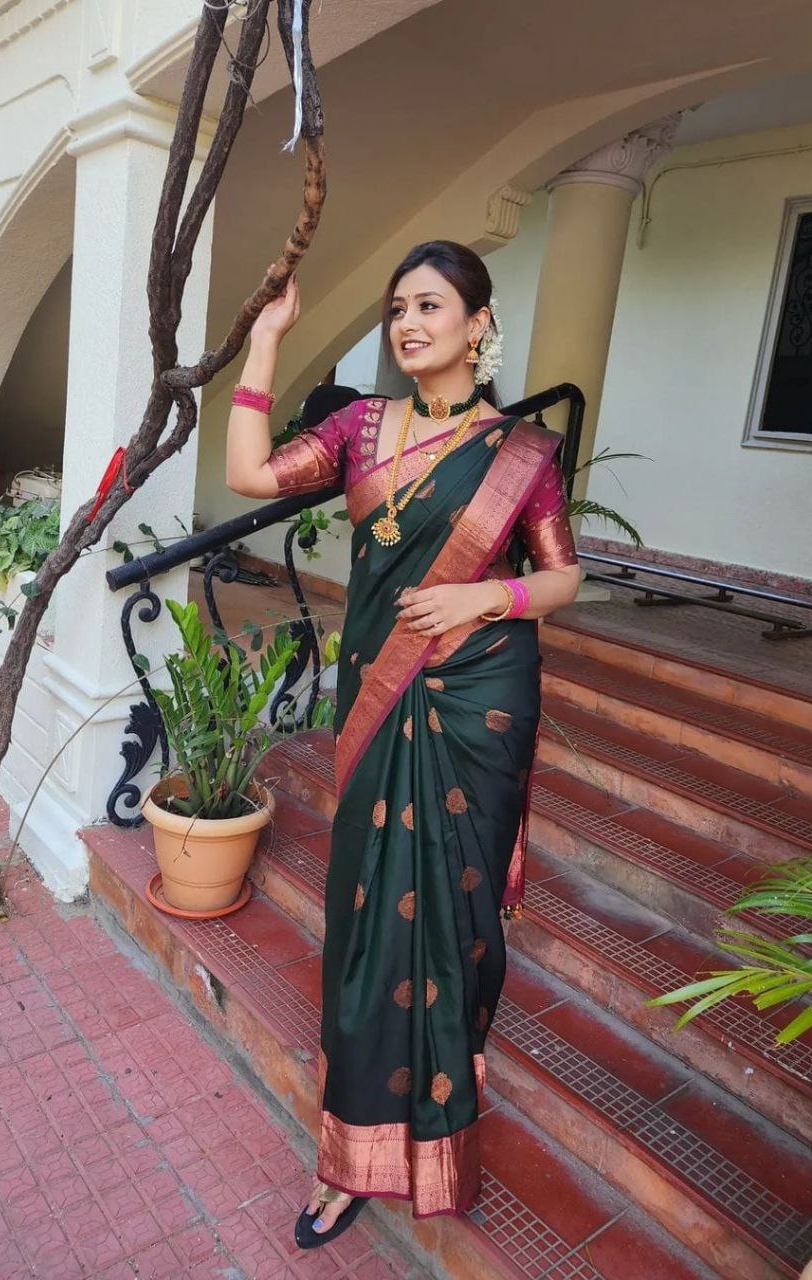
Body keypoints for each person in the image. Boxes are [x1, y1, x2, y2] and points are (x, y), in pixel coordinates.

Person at [225, 240, 581, 1247]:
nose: (409, 324)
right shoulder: (358, 427)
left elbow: (562, 579)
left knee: (457, 917)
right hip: (382, 698)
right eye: (396, 310)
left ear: (478, 322)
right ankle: (352, 1153)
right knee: (368, 917)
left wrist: (485, 591)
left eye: (431, 305)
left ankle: (441, 1100)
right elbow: (251, 470)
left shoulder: (522, 452)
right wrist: (266, 340)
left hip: (481, 695)